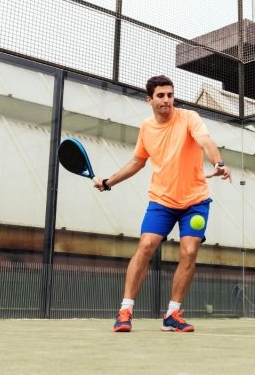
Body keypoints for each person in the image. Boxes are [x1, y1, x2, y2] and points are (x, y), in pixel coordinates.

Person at [93, 75, 231, 332]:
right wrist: (109, 181)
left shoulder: (189, 118)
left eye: (170, 95)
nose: (167, 100)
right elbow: (137, 162)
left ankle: (172, 315)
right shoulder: (146, 128)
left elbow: (205, 141)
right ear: (150, 99)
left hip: (196, 200)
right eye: (161, 96)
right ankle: (125, 310)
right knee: (146, 245)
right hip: (162, 200)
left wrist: (218, 163)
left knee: (189, 251)